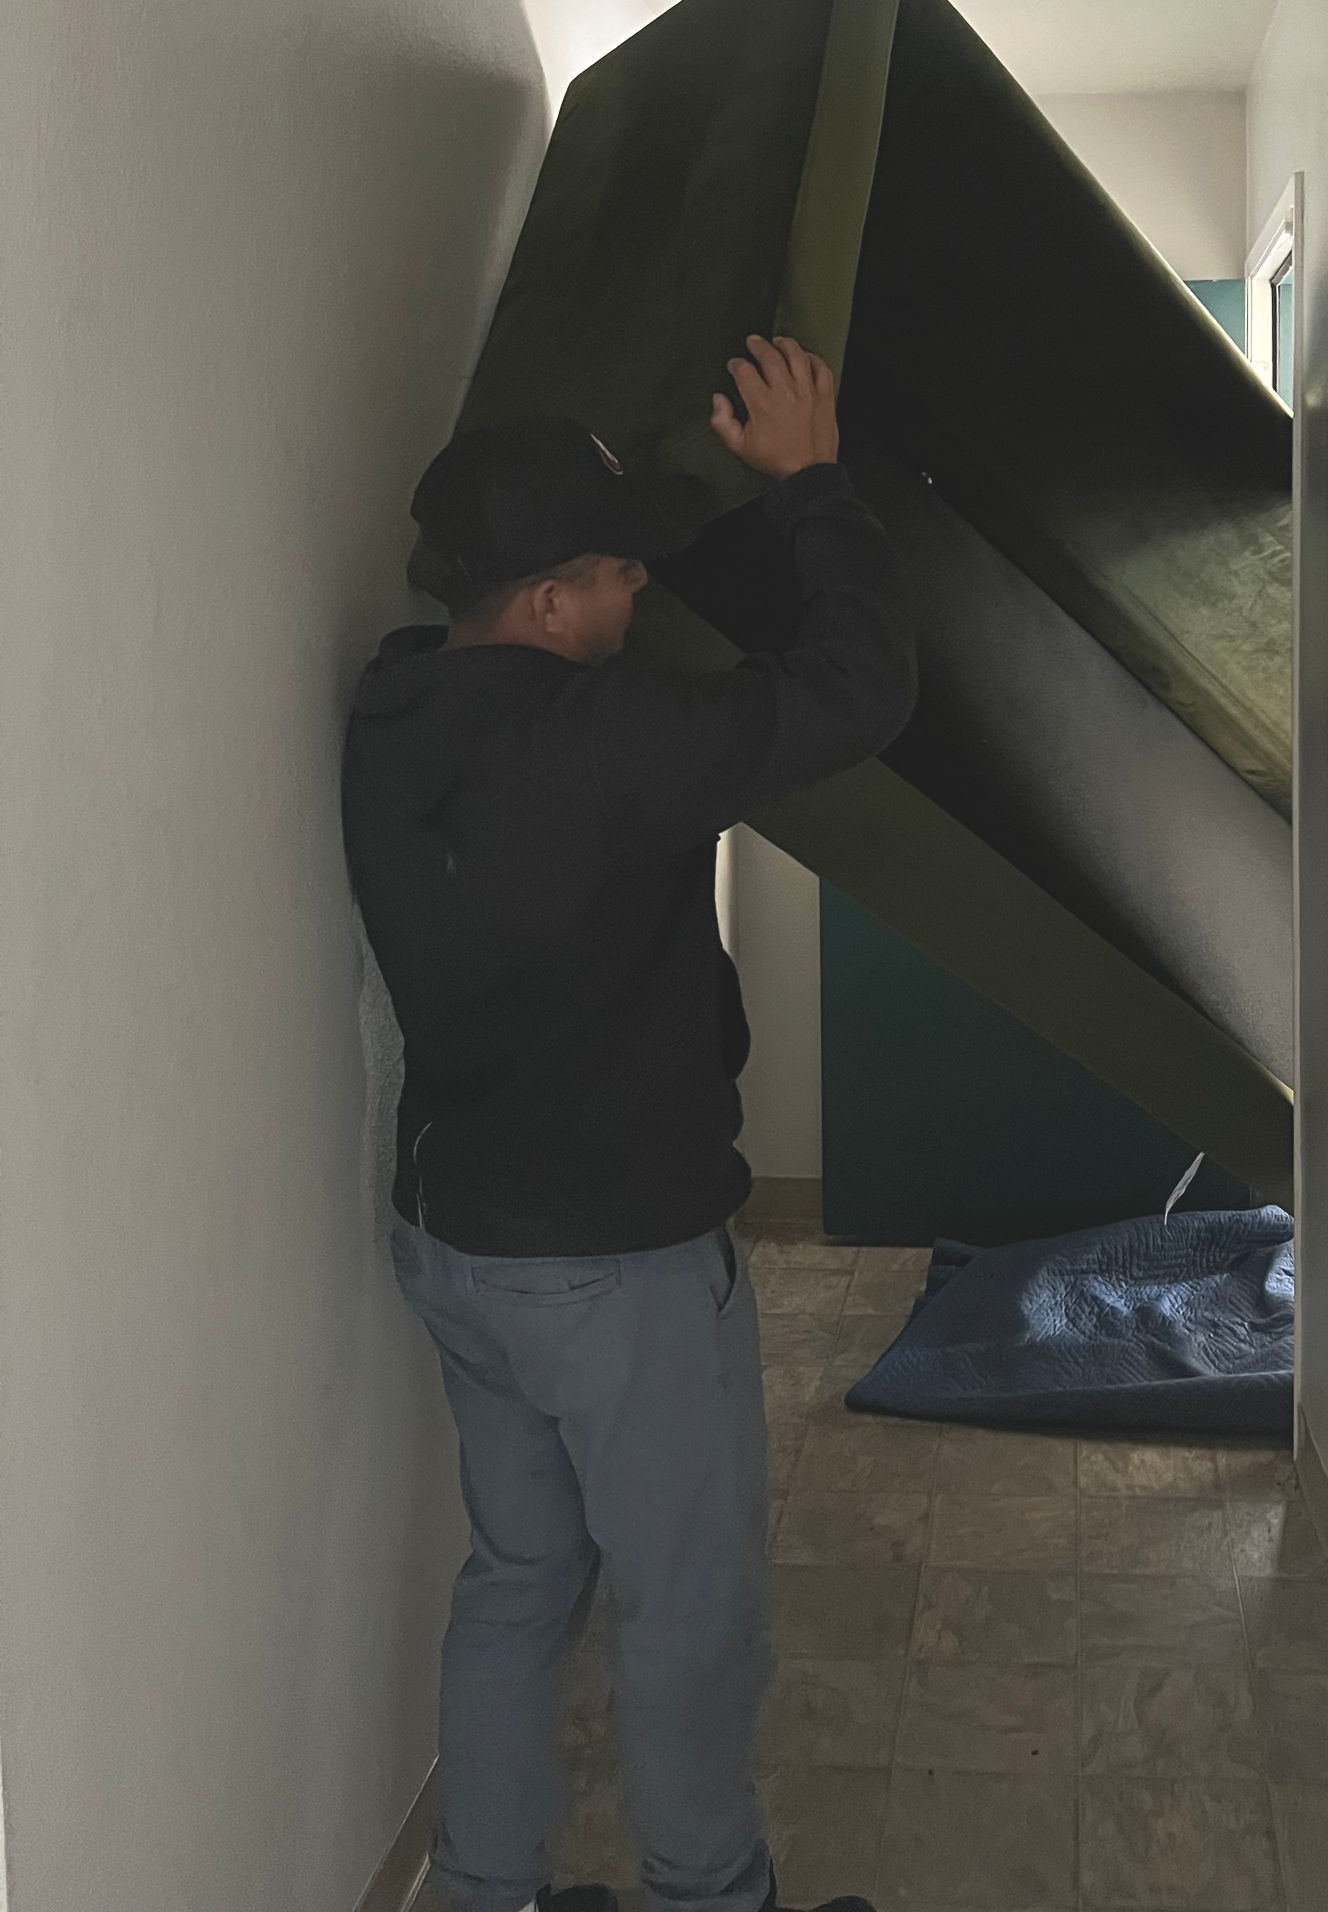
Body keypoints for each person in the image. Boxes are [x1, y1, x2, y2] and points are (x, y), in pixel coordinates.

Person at [342, 336, 918, 1912]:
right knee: (690, 1607)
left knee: (523, 1575)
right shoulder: (603, 744)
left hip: (460, 1232)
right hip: (614, 1267)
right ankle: (706, 1896)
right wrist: (812, 485)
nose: (636, 602)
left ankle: (477, 1892)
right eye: (612, 577)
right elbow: (862, 689)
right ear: (542, 604)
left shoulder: (392, 713)